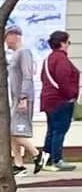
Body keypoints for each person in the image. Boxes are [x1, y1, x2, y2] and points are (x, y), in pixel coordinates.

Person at [36, 29, 77, 173]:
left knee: (52, 130)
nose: (68, 45)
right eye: (68, 42)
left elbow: (43, 78)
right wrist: (72, 95)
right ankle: (57, 160)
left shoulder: (49, 59)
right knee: (59, 130)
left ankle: (46, 161)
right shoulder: (61, 59)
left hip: (49, 100)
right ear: (62, 43)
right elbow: (64, 80)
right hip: (61, 101)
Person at [5, 24, 39, 174]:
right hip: (16, 98)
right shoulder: (15, 54)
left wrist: (23, 97)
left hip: (22, 98)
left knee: (14, 131)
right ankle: (18, 164)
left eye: (6, 37)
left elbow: (27, 75)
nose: (5, 41)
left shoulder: (24, 52)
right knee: (11, 131)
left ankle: (37, 154)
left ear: (14, 36)